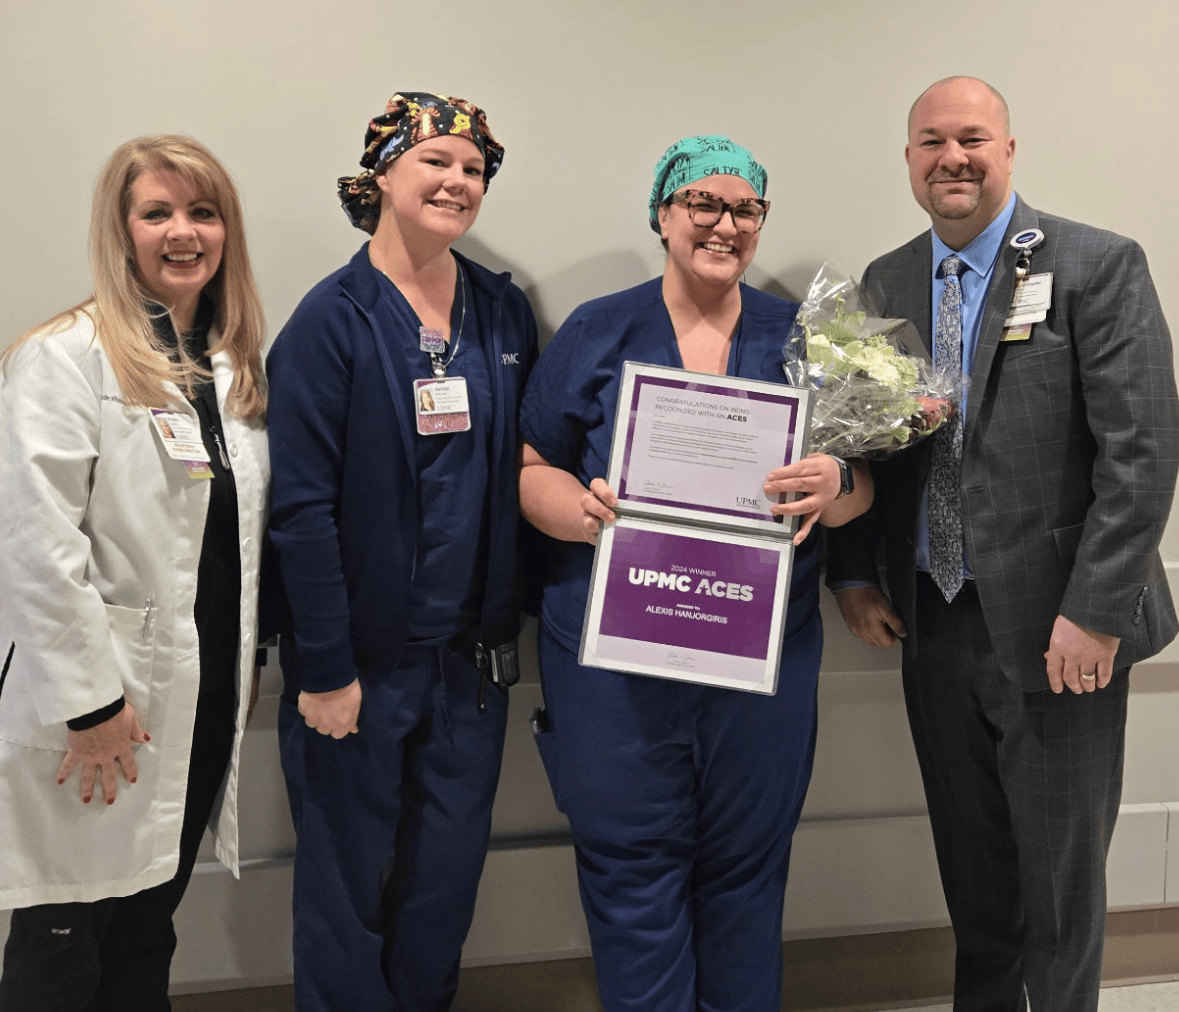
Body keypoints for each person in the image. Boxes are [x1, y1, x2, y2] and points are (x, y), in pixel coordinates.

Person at [827, 77, 1179, 1012]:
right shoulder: (887, 281)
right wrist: (855, 575)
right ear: (908, 159)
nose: (953, 157)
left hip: (1060, 629)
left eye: (973, 138)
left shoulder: (1095, 264)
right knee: (973, 872)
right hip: (932, 621)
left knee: (1059, 883)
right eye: (931, 141)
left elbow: (1140, 455)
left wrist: (1095, 614)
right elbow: (868, 448)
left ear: (1008, 151)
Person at [518, 135, 872, 1012]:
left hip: (759, 657)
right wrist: (586, 514)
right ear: (662, 215)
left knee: (747, 869)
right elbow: (531, 470)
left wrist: (834, 485)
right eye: (701, 204)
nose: (723, 224)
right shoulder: (600, 330)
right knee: (628, 868)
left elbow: (861, 489)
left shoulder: (799, 337)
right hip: (616, 654)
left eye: (744, 208)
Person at [266, 92, 536, 1012]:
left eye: (474, 169)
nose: (458, 181)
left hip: (467, 668)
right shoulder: (329, 322)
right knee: (346, 898)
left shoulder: (501, 316)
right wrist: (327, 668)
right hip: (358, 670)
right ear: (383, 174)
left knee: (440, 893)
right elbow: (298, 512)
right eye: (437, 163)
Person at [0, 134, 270, 1011]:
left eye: (202, 212)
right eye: (157, 213)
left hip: (194, 699)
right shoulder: (64, 357)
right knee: (63, 939)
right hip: (103, 707)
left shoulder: (230, 368)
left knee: (150, 923)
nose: (182, 232)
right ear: (121, 231)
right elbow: (34, 545)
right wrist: (90, 706)